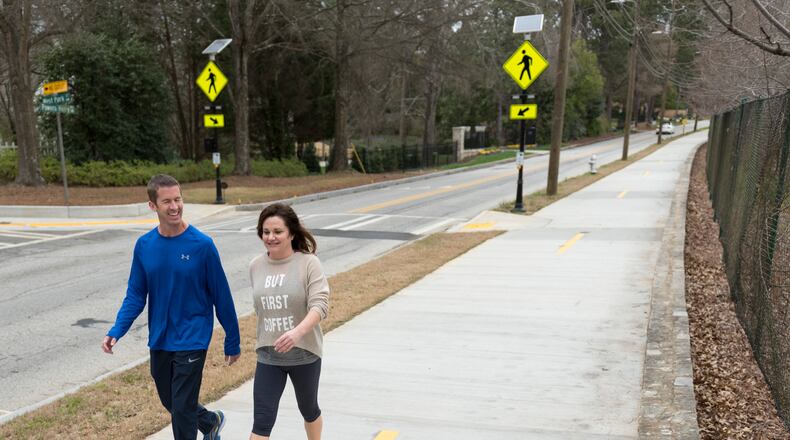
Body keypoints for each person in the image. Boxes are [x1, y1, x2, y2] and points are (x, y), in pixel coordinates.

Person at [102, 174, 241, 440]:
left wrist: (232, 341)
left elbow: (221, 296)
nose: (175, 206)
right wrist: (117, 329)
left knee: (181, 410)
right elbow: (135, 294)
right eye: (167, 201)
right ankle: (210, 421)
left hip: (193, 336)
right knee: (172, 402)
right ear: (152, 205)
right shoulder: (144, 246)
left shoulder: (202, 245)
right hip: (161, 337)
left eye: (178, 199)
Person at [249, 203, 329, 440]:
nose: (270, 237)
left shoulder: (308, 263)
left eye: (277, 232)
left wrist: (297, 332)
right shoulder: (256, 265)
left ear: (291, 234)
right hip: (269, 355)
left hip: (304, 353)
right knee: (261, 422)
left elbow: (320, 305)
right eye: (265, 232)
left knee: (309, 409)